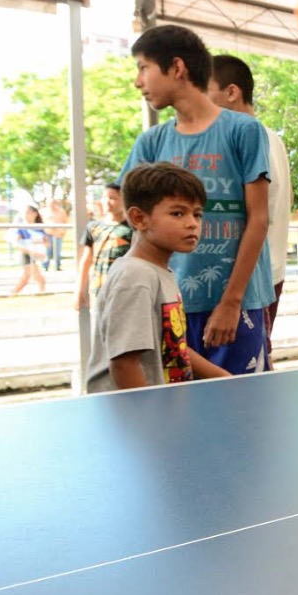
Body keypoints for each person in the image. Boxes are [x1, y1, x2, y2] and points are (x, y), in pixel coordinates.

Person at [120, 24, 274, 376]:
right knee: (180, 414)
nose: (138, 81)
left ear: (177, 68)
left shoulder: (244, 130)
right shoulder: (151, 143)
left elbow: (259, 219)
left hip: (238, 304)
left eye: (143, 68)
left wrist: (231, 303)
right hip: (171, 306)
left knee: (241, 410)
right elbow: (133, 221)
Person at [86, 162, 229, 392]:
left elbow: (174, 346)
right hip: (133, 418)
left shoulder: (159, 272)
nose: (192, 223)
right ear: (139, 219)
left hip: (158, 413)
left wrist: (227, 379)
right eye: (177, 213)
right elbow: (124, 365)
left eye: (197, 214)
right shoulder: (136, 276)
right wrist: (150, 421)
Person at [208, 54, 292, 368]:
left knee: (248, 367)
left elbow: (257, 217)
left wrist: (232, 296)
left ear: (231, 92)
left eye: (205, 91)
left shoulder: (247, 139)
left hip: (252, 278)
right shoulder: (272, 139)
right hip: (267, 273)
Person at [74, 183, 133, 310]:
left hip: (125, 290)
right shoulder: (93, 227)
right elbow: (87, 259)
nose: (107, 201)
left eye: (113, 198)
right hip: (100, 289)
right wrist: (79, 291)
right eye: (104, 197)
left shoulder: (133, 229)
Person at [10, 204, 46, 295]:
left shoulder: (39, 228)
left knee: (26, 277)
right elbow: (16, 244)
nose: (25, 215)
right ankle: (42, 296)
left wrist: (39, 244)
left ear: (35, 214)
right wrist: (31, 251)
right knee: (40, 280)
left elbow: (47, 243)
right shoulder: (21, 228)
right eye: (24, 213)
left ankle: (12, 294)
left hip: (35, 255)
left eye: (28, 212)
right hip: (25, 255)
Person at [43, 199, 69, 271]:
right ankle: (45, 266)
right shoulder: (43, 211)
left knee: (57, 251)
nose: (51, 205)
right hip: (47, 234)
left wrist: (63, 232)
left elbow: (65, 221)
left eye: (53, 203)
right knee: (47, 251)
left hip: (58, 234)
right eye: (50, 203)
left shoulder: (61, 212)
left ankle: (57, 266)